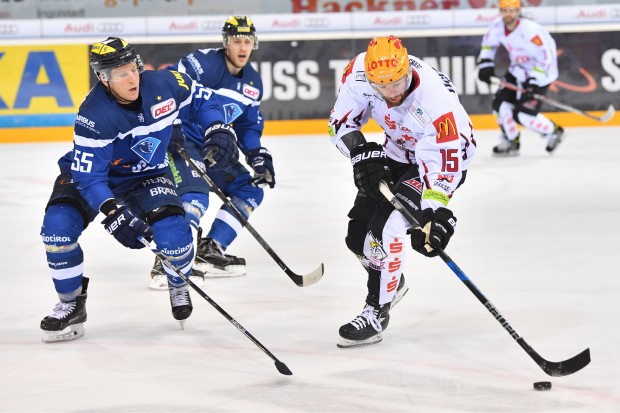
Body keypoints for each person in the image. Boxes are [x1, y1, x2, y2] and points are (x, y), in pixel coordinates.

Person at [39, 36, 239, 342]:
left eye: (132, 68)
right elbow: (90, 178)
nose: (131, 77)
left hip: (146, 175)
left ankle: (177, 280)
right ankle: (70, 305)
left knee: (175, 235)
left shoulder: (166, 82)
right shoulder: (93, 115)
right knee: (57, 230)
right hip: (97, 178)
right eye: (121, 73)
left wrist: (217, 127)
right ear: (103, 78)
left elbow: (203, 101)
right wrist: (113, 212)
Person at [328, 35, 477, 348]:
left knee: (388, 228)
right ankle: (390, 283)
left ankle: (376, 312)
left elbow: (443, 163)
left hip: (444, 154)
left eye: (398, 83)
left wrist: (435, 212)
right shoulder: (359, 74)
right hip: (397, 150)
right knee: (357, 237)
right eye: (383, 87)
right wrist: (360, 151)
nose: (392, 92)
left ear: (408, 69)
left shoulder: (435, 101)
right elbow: (339, 124)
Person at [148, 15, 273, 289]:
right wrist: (169, 126)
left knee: (250, 189)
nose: (242, 47)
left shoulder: (253, 84)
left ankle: (210, 248)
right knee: (194, 196)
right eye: (237, 40)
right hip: (182, 140)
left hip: (214, 146)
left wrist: (258, 155)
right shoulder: (203, 64)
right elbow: (166, 84)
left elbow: (247, 126)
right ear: (226, 43)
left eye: (248, 41)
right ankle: (170, 259)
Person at [477, 0, 564, 156]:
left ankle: (555, 131)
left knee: (524, 116)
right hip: (517, 71)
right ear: (500, 11)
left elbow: (547, 57)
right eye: (504, 10)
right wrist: (485, 64)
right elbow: (488, 45)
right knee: (500, 106)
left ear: (518, 11)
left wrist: (535, 80)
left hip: (541, 74)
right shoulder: (497, 27)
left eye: (512, 10)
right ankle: (511, 141)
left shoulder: (531, 30)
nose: (508, 14)